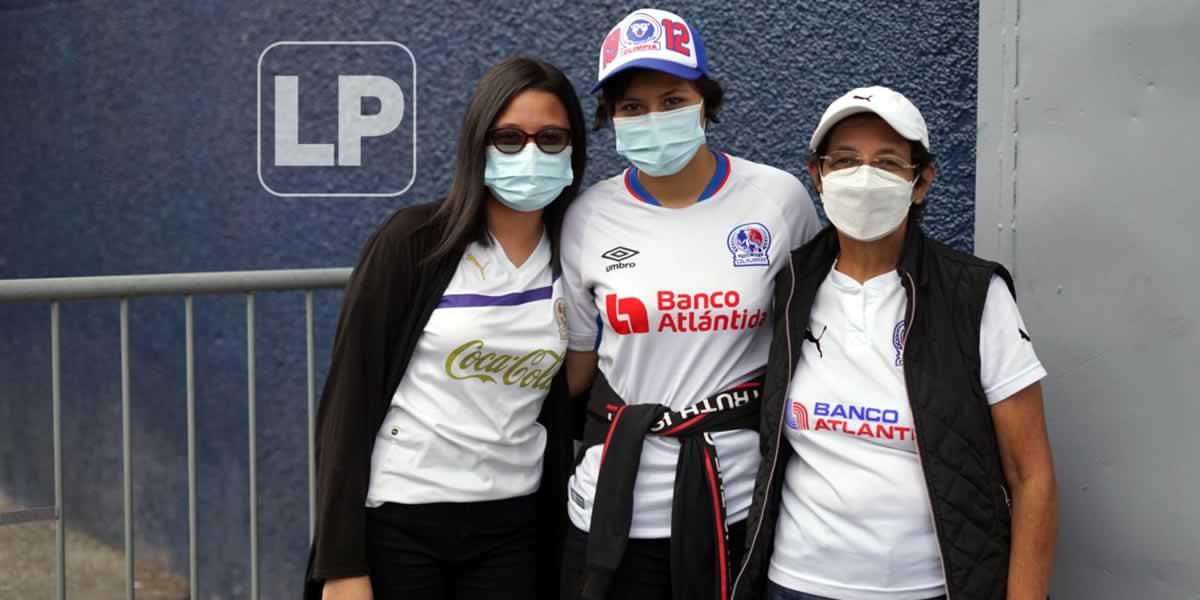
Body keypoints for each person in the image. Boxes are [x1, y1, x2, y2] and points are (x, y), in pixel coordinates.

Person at [732, 86, 1058, 600]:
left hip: (928, 587)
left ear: (921, 181)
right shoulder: (791, 286)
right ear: (817, 176)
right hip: (796, 583)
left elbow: (1030, 473)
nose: (864, 178)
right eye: (844, 161)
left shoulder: (973, 295)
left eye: (887, 162)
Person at [558, 9, 822, 600]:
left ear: (706, 101)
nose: (654, 118)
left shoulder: (777, 200)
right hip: (612, 506)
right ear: (611, 118)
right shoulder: (587, 218)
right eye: (632, 107)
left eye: (673, 99)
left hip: (735, 505)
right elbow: (575, 369)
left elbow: (812, 337)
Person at [303, 56, 588, 600]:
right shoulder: (413, 243)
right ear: (476, 145)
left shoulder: (575, 255)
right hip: (403, 522)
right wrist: (341, 564)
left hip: (514, 527)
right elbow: (348, 403)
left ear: (574, 147)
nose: (531, 154)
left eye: (551, 138)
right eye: (509, 139)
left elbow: (574, 384)